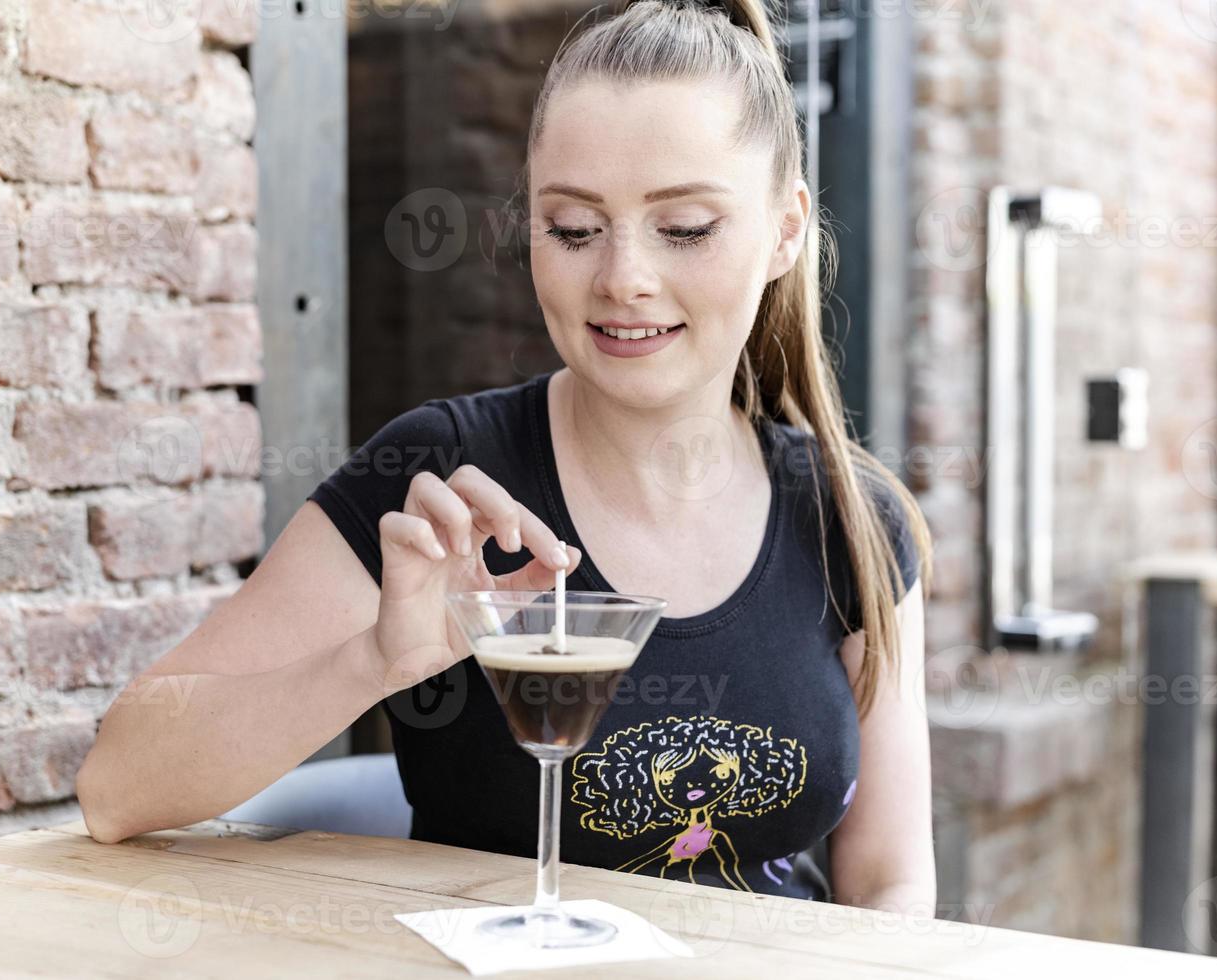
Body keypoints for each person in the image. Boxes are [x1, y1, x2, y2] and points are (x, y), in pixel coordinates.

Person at [75, 0, 936, 914]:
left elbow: (890, 879)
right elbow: (117, 788)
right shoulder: (436, 480)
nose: (623, 278)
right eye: (573, 228)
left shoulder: (850, 518)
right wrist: (373, 659)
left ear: (787, 229)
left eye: (684, 227)